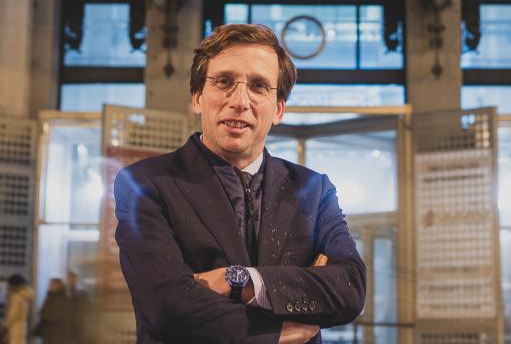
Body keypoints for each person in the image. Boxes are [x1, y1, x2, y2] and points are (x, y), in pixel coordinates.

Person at [113, 24, 366, 344]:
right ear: (197, 96)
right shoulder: (145, 184)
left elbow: (349, 289)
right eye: (224, 82)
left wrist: (241, 281)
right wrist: (274, 332)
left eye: (259, 86)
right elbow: (166, 303)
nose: (239, 101)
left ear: (278, 109)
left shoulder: (313, 190)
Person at [36, 277, 75, 344]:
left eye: (52, 284)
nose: (50, 286)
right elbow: (42, 311)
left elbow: (59, 314)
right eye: (50, 284)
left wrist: (46, 316)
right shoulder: (49, 297)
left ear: (58, 286)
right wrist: (43, 314)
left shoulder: (64, 298)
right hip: (48, 333)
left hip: (59, 333)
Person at [0, 274, 35, 344]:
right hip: (22, 326)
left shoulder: (16, 296)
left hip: (14, 328)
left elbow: (12, 314)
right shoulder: (23, 294)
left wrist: (4, 325)